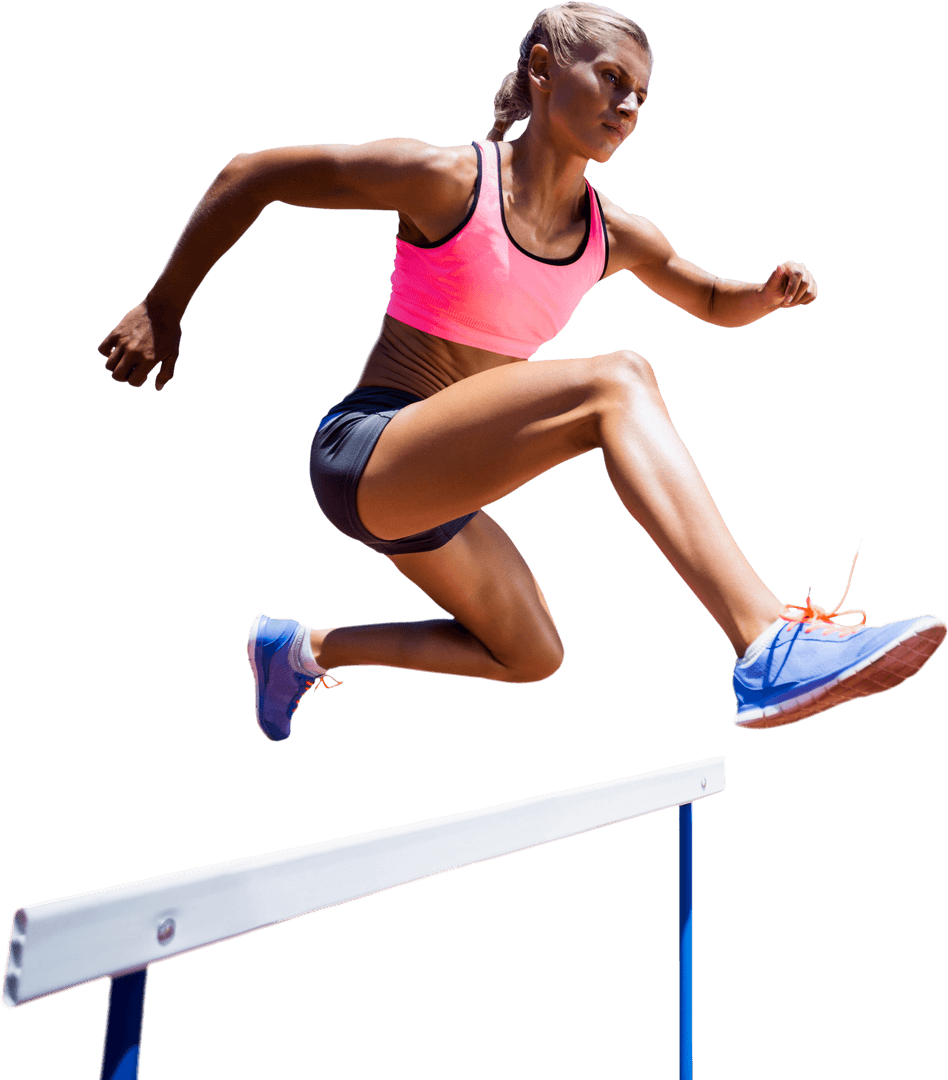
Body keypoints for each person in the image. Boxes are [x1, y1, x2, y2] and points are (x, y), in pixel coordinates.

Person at [98, 3, 944, 742]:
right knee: (618, 379)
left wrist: (763, 295)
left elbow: (710, 297)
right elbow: (252, 175)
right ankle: (766, 640)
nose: (629, 104)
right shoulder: (448, 180)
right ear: (541, 70)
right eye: (611, 78)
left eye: (642, 95)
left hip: (437, 492)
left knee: (530, 655)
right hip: (369, 448)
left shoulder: (618, 234)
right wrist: (161, 306)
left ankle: (302, 648)